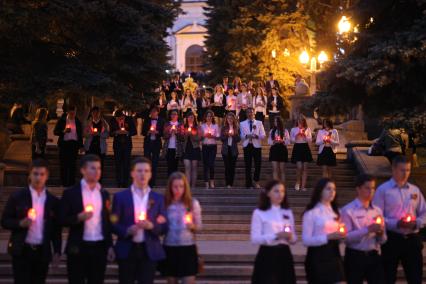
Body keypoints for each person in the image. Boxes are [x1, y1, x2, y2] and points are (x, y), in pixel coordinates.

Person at [1, 159, 61, 284]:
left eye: (42, 174)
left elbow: (56, 229)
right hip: (22, 250)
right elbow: (5, 221)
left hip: (42, 251)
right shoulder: (17, 197)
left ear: (47, 176)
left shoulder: (53, 201)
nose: (38, 177)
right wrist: (19, 223)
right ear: (29, 175)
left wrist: (57, 251)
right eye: (35, 174)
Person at [59, 154, 114, 284]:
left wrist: (110, 245)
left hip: (100, 248)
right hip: (78, 247)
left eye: (99, 168)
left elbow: (106, 222)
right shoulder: (71, 193)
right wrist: (77, 218)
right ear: (83, 170)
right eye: (92, 168)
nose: (97, 172)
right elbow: (61, 219)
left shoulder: (104, 193)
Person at [112, 157, 168, 284]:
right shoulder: (120, 197)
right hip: (127, 249)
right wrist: (126, 230)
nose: (143, 174)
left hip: (149, 250)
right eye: (139, 171)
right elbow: (113, 222)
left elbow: (165, 225)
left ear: (150, 174)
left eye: (146, 171)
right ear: (132, 173)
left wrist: (152, 226)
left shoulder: (158, 198)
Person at [372, 155, 426, 284]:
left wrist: (416, 223)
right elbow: (376, 216)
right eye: (402, 170)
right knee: (387, 277)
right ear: (394, 169)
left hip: (412, 239)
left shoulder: (415, 191)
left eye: (408, 170)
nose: (405, 173)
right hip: (391, 239)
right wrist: (396, 223)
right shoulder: (383, 190)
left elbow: (424, 212)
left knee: (415, 277)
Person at [341, 174, 386, 284]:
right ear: (358, 189)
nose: (371, 191)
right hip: (355, 256)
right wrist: (367, 230)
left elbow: (383, 240)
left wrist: (380, 233)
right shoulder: (348, 210)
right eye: (367, 188)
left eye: (373, 188)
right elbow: (346, 238)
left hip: (373, 254)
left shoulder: (377, 211)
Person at [251, 180, 297, 284]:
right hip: (267, 254)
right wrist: (276, 236)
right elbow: (255, 238)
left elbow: (294, 238)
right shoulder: (259, 213)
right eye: (276, 191)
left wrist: (290, 237)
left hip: (285, 254)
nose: (280, 194)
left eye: (282, 191)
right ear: (268, 193)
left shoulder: (287, 212)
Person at [161, 172, 202, 284]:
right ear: (170, 187)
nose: (178, 189)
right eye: (175, 186)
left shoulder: (192, 203)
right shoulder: (165, 204)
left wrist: (192, 226)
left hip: (187, 247)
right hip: (170, 247)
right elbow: (161, 226)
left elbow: (199, 226)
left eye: (181, 186)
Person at [302, 178, 345, 284]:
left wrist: (342, 236)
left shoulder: (337, 212)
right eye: (328, 189)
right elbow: (306, 240)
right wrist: (327, 237)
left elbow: (340, 235)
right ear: (320, 191)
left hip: (334, 254)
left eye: (334, 189)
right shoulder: (311, 213)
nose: (332, 192)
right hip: (317, 256)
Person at [53, 105, 83, 187]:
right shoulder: (62, 120)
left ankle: (71, 183)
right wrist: (63, 131)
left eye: (74, 113)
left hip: (74, 145)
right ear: (68, 112)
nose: (73, 115)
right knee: (64, 164)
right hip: (64, 145)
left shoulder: (78, 122)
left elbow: (79, 134)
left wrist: (81, 146)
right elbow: (55, 131)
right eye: (71, 113)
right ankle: (64, 183)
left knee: (72, 165)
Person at [109, 110, 137, 188]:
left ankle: (125, 183)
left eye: (120, 118)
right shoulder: (113, 120)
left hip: (127, 145)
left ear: (123, 116)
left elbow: (134, 131)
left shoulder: (129, 119)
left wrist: (127, 132)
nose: (118, 120)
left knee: (126, 164)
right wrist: (116, 132)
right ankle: (118, 182)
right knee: (118, 164)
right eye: (117, 119)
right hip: (117, 145)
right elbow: (110, 133)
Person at [240, 108, 266, 188]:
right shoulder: (242, 123)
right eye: (248, 112)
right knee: (248, 165)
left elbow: (263, 135)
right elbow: (241, 136)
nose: (250, 114)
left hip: (256, 146)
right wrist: (247, 136)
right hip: (247, 145)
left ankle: (256, 181)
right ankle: (248, 183)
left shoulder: (259, 123)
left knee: (258, 164)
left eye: (251, 112)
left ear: (254, 113)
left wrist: (257, 136)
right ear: (246, 114)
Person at [142, 106, 165, 187]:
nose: (153, 113)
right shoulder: (147, 120)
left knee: (154, 164)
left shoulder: (161, 121)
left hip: (156, 144)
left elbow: (163, 132)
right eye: (152, 112)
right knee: (146, 163)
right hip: (148, 144)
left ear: (157, 112)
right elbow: (143, 132)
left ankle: (152, 183)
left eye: (155, 111)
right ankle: (146, 182)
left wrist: (157, 132)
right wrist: (148, 132)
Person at [84, 106, 109, 178]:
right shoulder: (88, 122)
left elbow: (107, 134)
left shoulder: (103, 122)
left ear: (99, 113)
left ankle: (99, 182)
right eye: (93, 112)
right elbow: (84, 134)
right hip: (90, 147)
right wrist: (90, 134)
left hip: (100, 147)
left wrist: (99, 134)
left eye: (97, 112)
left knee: (99, 166)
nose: (95, 114)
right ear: (91, 113)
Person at [290, 115, 313, 191]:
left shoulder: (307, 129)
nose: (300, 121)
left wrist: (305, 135)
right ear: (297, 121)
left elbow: (310, 139)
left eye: (301, 120)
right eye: (298, 120)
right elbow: (291, 140)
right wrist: (296, 136)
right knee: (299, 167)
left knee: (305, 168)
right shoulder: (293, 129)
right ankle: (297, 182)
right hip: (297, 147)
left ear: (304, 121)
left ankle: (303, 186)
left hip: (305, 147)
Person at [181, 112, 202, 188]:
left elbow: (200, 138)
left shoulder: (197, 127)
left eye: (192, 117)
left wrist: (192, 135)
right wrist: (186, 134)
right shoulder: (184, 126)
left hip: (195, 148)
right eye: (189, 117)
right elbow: (181, 137)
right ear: (187, 118)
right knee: (187, 167)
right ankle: (187, 186)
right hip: (186, 148)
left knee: (194, 167)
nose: (190, 118)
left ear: (194, 118)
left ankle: (193, 186)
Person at [220, 112, 241, 188]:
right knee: (227, 167)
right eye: (228, 118)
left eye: (231, 118)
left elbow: (239, 139)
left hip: (233, 150)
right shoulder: (224, 127)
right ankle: (227, 183)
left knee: (232, 167)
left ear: (233, 119)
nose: (230, 119)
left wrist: (234, 135)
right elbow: (221, 138)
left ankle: (231, 183)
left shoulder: (236, 127)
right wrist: (227, 135)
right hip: (225, 149)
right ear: (226, 119)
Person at [200, 110, 220, 189]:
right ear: (205, 117)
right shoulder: (202, 126)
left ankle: (212, 181)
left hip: (212, 146)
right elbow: (200, 137)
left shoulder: (215, 126)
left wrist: (213, 136)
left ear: (212, 117)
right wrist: (204, 135)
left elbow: (218, 137)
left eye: (210, 116)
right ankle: (206, 182)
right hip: (205, 146)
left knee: (211, 164)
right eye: (207, 116)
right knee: (205, 164)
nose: (209, 118)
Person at [268, 116, 290, 182]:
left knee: (282, 169)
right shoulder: (272, 131)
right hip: (274, 149)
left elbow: (288, 141)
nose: (275, 123)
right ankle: (276, 185)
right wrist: (274, 141)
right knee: (275, 169)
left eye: (276, 121)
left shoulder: (285, 131)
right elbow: (269, 141)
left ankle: (282, 186)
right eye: (274, 121)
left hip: (282, 149)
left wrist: (283, 141)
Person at [162, 110, 182, 176]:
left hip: (177, 148)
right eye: (172, 114)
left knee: (175, 166)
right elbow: (164, 136)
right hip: (168, 148)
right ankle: (169, 182)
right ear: (170, 116)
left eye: (175, 114)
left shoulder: (180, 125)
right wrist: (170, 133)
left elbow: (182, 137)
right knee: (169, 166)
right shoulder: (167, 124)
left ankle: (174, 183)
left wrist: (176, 133)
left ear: (177, 116)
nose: (174, 115)